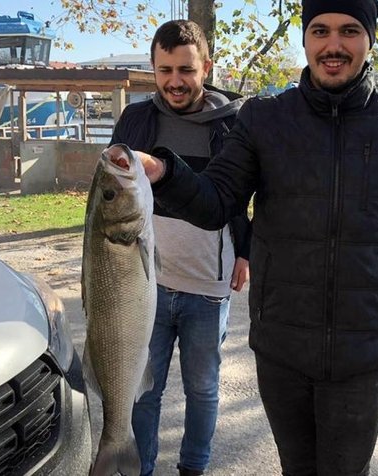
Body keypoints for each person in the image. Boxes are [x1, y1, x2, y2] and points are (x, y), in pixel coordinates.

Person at [108, 0, 378, 474]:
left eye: (349, 31)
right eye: (320, 31)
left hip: (362, 348)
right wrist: (162, 170)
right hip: (282, 345)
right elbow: (215, 202)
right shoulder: (264, 120)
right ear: (305, 39)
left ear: (370, 39)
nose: (333, 45)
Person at [108, 20, 251, 476]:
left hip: (208, 286)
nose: (175, 80)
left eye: (185, 69)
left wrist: (245, 251)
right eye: (165, 69)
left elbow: (245, 197)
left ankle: (194, 467)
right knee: (144, 391)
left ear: (205, 67)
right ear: (153, 68)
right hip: (145, 287)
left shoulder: (233, 123)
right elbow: (113, 190)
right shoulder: (135, 119)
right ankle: (140, 467)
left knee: (203, 388)